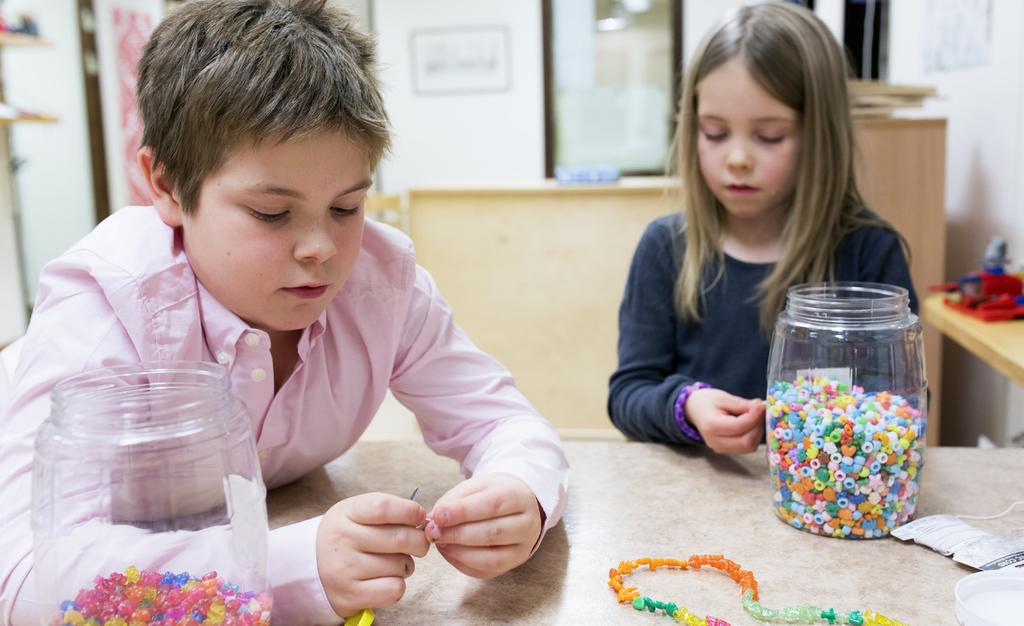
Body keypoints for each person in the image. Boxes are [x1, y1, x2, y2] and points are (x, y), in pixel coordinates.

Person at [0, 1, 567, 624]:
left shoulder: (382, 284)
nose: (321, 248)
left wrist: (520, 493)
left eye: (347, 206)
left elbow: (506, 423)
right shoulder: (103, 304)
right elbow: (26, 574)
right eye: (272, 213)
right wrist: (282, 567)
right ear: (163, 184)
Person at [608, 2, 917, 454]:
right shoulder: (665, 248)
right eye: (714, 132)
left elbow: (903, 400)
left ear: (820, 136)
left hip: (829, 498)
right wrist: (687, 405)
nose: (737, 159)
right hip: (697, 498)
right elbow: (629, 393)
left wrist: (811, 420)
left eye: (769, 136)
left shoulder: (869, 251)